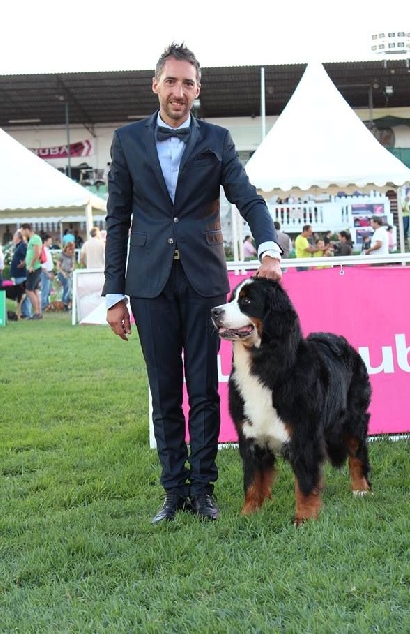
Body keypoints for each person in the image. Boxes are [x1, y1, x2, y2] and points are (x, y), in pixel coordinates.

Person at [103, 42, 282, 524]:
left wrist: (268, 247)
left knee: (203, 388)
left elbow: (248, 198)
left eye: (188, 83)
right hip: (148, 283)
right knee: (163, 390)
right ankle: (173, 491)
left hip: (204, 281)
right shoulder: (127, 141)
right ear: (156, 84)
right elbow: (117, 218)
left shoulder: (218, 140)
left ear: (197, 90)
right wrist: (115, 295)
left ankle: (204, 488)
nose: (179, 91)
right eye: (171, 81)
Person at [20, 223, 43, 319]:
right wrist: (24, 263)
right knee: (35, 290)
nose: (22, 232)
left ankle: (37, 312)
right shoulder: (31, 240)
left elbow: (37, 253)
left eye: (22, 230)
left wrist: (31, 265)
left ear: (27, 229)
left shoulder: (35, 238)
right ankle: (38, 312)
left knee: (29, 290)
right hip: (32, 267)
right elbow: (31, 253)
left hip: (34, 268)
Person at [10, 229, 31, 318]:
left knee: (23, 295)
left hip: (21, 274)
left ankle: (26, 313)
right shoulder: (18, 246)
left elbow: (28, 255)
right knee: (20, 295)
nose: (13, 238)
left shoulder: (22, 246)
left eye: (14, 236)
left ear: (18, 237)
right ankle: (23, 312)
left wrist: (24, 263)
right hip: (17, 274)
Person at [57, 241, 75, 310]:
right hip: (62, 273)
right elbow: (58, 266)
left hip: (69, 273)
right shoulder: (61, 255)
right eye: (69, 249)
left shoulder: (72, 256)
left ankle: (67, 303)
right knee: (66, 287)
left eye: (71, 249)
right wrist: (63, 273)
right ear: (66, 248)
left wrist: (72, 269)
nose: (70, 251)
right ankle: (64, 303)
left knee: (69, 288)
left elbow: (73, 265)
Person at [40, 233, 54, 311]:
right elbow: (43, 264)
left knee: (48, 290)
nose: (51, 242)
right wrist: (47, 273)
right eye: (50, 241)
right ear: (45, 241)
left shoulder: (47, 250)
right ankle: (43, 305)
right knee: (45, 289)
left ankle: (47, 304)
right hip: (45, 272)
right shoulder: (43, 250)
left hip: (49, 271)